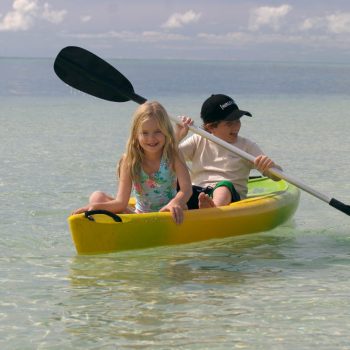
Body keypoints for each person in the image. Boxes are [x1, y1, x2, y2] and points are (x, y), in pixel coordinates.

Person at [73, 101, 192, 224]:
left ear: (166, 131)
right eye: (144, 133)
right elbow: (121, 203)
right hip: (141, 217)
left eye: (158, 131)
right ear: (136, 134)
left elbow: (186, 189)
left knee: (179, 206)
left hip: (170, 213)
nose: (151, 139)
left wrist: (175, 202)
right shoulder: (130, 160)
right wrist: (94, 208)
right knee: (96, 197)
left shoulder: (173, 154)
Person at [175, 94, 282, 209]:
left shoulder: (247, 146)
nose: (236, 127)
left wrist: (271, 166)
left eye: (237, 121)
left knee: (223, 187)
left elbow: (277, 176)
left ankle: (212, 208)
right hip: (198, 193)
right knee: (175, 182)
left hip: (229, 197)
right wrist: (177, 137)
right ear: (211, 127)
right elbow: (167, 158)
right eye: (229, 123)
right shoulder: (198, 139)